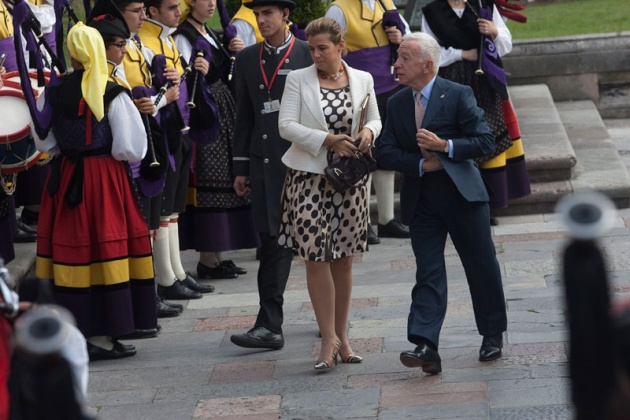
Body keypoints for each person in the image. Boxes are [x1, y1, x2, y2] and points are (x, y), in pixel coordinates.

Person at [376, 32, 507, 374]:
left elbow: (484, 141)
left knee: (481, 265)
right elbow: (385, 150)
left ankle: (492, 333)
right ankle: (425, 344)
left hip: (463, 195)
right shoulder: (396, 102)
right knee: (428, 272)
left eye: (404, 58)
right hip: (422, 201)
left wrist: (445, 147)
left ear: (428, 65)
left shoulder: (459, 94)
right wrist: (420, 164)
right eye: (397, 57)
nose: (396, 64)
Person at [33, 22, 158, 361]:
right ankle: (103, 334)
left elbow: (43, 142)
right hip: (103, 179)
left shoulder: (53, 91)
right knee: (105, 250)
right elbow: (132, 148)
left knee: (74, 254)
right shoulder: (112, 92)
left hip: (66, 177)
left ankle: (75, 332)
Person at [277, 17, 381, 369]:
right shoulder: (297, 79)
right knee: (315, 257)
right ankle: (327, 341)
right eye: (312, 49)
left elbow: (376, 119)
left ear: (341, 48)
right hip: (307, 178)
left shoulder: (363, 78)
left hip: (349, 182)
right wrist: (327, 139)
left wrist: (368, 132)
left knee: (344, 258)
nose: (317, 55)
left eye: (323, 49)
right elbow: (285, 125)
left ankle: (344, 338)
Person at [230, 0, 311, 349]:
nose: (261, 21)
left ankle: (333, 317)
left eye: (268, 14)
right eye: (257, 14)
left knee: (322, 244)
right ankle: (269, 324)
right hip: (266, 166)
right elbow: (244, 117)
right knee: (272, 243)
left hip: (307, 162)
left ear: (285, 16)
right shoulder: (247, 58)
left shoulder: (310, 53)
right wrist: (241, 167)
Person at [422, 0, 530, 225]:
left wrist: (494, 31)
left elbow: (506, 44)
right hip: (451, 83)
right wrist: (462, 54)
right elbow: (428, 51)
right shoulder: (432, 11)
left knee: (488, 133)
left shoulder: (484, 5)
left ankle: (488, 204)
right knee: (459, 137)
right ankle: (464, 201)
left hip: (485, 82)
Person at [173, 0, 258, 280]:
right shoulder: (184, 35)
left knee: (224, 176)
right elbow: (186, 76)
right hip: (206, 114)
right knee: (211, 179)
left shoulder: (207, 30)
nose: (211, 4)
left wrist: (233, 53)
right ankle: (208, 259)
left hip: (221, 107)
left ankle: (217, 256)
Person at [139, 0, 215, 298]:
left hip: (180, 126)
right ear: (152, 10)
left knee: (172, 207)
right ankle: (166, 279)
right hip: (161, 132)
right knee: (161, 207)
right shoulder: (144, 41)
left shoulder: (166, 37)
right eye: (171, 7)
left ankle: (177, 272)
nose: (177, 12)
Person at [326, 0, 411, 245]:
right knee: (361, 153)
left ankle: (386, 219)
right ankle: (361, 222)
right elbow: (327, 48)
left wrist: (398, 37)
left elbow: (404, 35)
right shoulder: (338, 8)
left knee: (385, 152)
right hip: (357, 89)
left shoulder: (385, 1)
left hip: (390, 85)